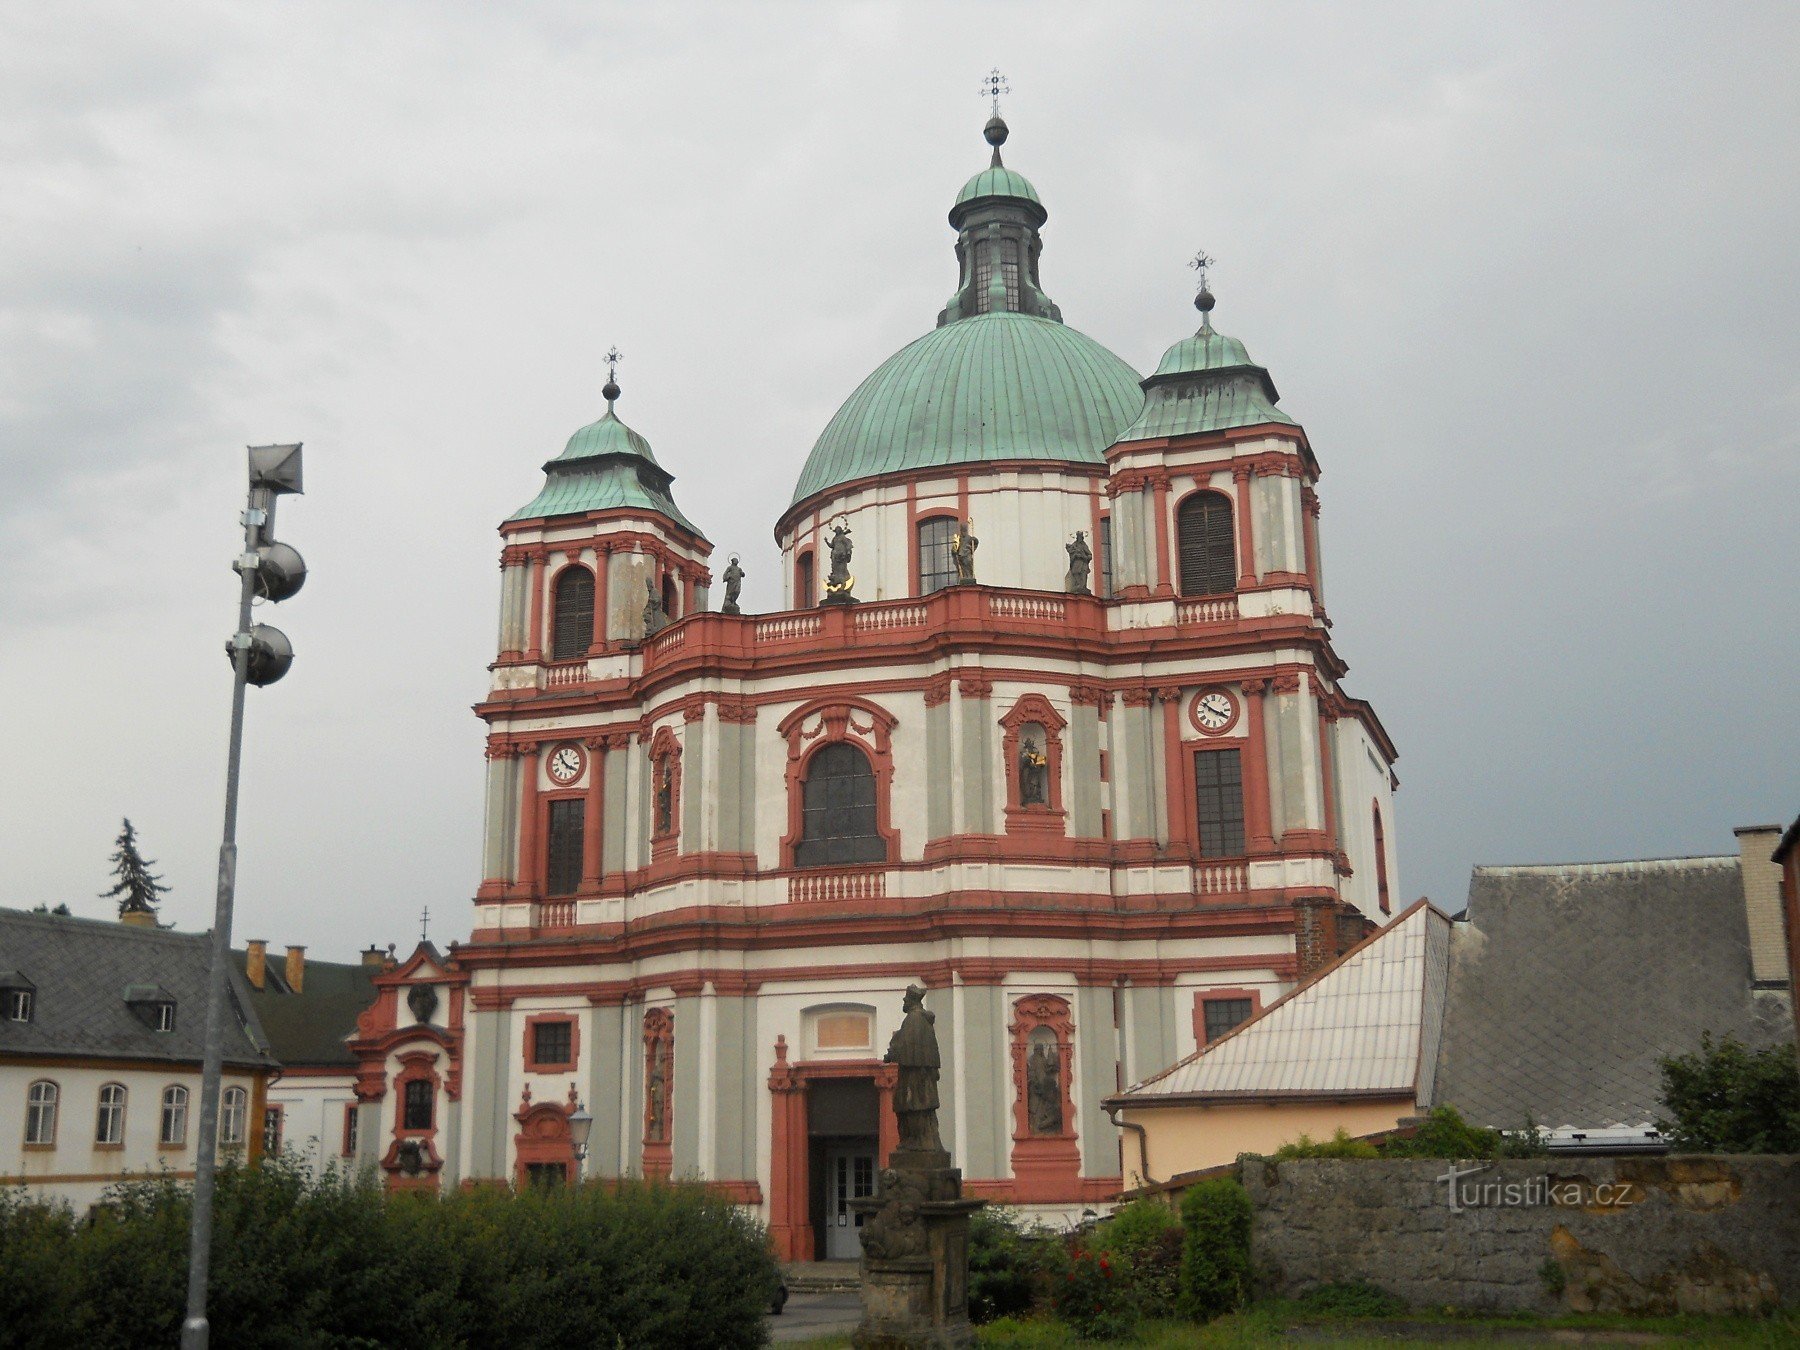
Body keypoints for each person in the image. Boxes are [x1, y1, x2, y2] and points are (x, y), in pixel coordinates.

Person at [884, 985, 943, 1152]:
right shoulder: (920, 1020)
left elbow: (907, 1047)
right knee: (909, 1108)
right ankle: (915, 1140)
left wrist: (892, 1052)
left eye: (905, 998)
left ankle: (915, 1141)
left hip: (914, 1078)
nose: (903, 1001)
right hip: (918, 1076)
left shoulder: (914, 1019)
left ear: (911, 1001)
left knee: (910, 1108)